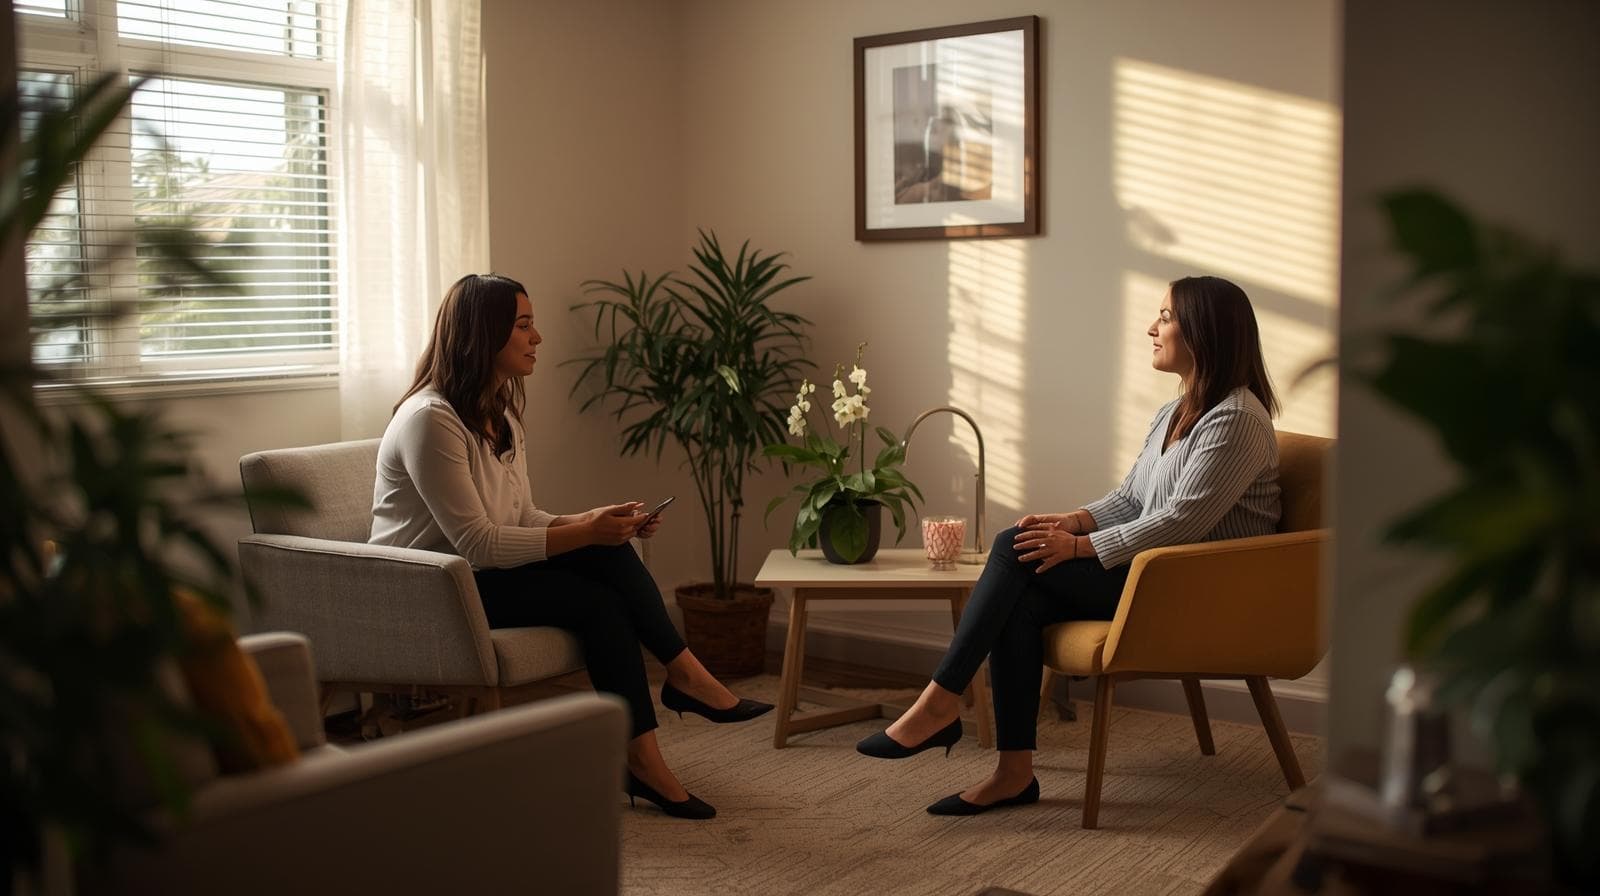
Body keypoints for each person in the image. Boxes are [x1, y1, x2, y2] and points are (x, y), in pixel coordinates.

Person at [856, 275, 1282, 815]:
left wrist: (1079, 548)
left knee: (1013, 547)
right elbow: (1133, 499)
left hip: (1197, 592)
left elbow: (1182, 521)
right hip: (1153, 574)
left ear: (1206, 332)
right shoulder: (1176, 411)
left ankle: (940, 703)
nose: (1152, 328)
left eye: (1166, 317)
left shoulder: (1238, 419)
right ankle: (1013, 774)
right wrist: (1076, 520)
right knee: (1022, 596)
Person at [370, 273, 771, 821]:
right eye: (525, 325)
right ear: (483, 335)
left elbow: (519, 518)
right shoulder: (430, 421)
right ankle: (684, 679)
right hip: (429, 589)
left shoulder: (500, 412)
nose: (538, 338)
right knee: (597, 566)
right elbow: (479, 543)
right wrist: (587, 533)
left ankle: (646, 754)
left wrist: (595, 521)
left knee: (601, 596)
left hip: (480, 576)